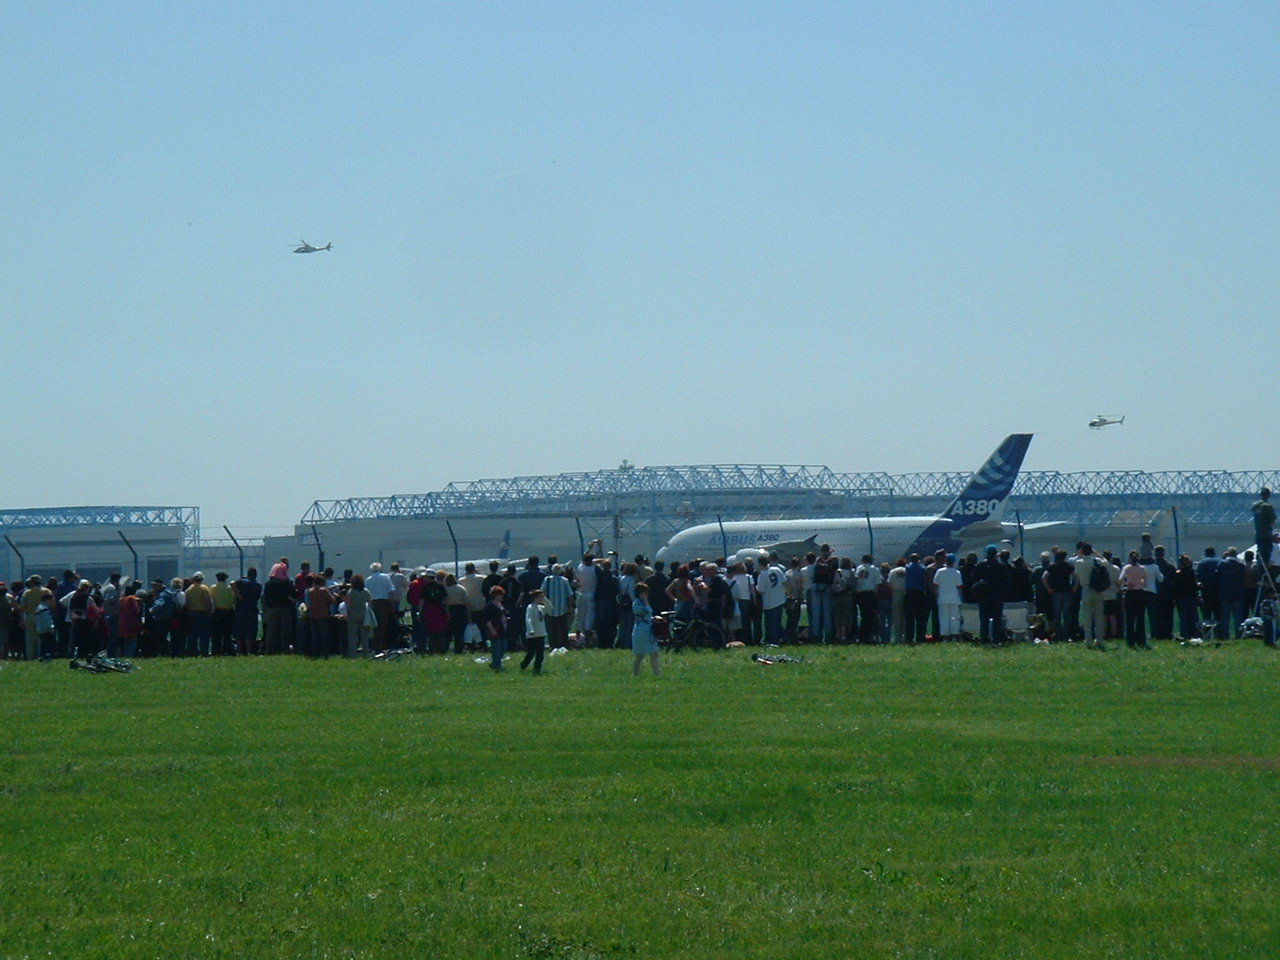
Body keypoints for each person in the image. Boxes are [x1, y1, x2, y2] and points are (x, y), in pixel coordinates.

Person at [1119, 551, 1151, 649]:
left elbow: (1120, 579)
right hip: (1140, 594)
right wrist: (1139, 582)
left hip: (1130, 593)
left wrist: (1127, 583)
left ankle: (1130, 640)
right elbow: (1145, 584)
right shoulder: (1142, 569)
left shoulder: (1127, 568)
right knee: (1140, 618)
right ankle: (1141, 640)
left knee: (1130, 618)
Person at [630, 583, 660, 676]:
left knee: (654, 653)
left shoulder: (644, 602)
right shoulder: (637, 603)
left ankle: (657, 674)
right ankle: (635, 674)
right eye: (645, 592)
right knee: (639, 655)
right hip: (640, 631)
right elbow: (647, 611)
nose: (647, 594)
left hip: (649, 631)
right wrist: (646, 602)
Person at [542, 564, 574, 650]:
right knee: (563, 629)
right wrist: (570, 608)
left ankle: (553, 645)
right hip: (562, 608)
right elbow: (570, 595)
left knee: (552, 630)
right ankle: (564, 645)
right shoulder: (564, 580)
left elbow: (542, 593)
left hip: (550, 609)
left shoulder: (547, 579)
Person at [933, 554, 964, 641]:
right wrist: (961, 598)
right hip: (954, 598)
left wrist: (937, 596)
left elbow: (935, 585)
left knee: (943, 618)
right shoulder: (957, 573)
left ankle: (945, 637)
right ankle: (954, 635)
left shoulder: (939, 571)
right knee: (954, 618)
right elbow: (959, 587)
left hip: (942, 598)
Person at [232, 567, 263, 655]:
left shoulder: (241, 581)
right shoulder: (258, 585)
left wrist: (238, 594)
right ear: (255, 575)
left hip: (240, 609)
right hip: (252, 609)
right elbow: (258, 597)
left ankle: (240, 650)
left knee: (239, 630)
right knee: (250, 631)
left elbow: (232, 583)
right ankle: (248, 650)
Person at [521, 589, 548, 674]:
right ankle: (523, 665)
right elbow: (528, 619)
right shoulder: (530, 607)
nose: (542, 598)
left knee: (540, 654)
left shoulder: (540, 607)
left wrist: (545, 599)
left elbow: (550, 607)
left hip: (541, 633)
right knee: (531, 653)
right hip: (533, 635)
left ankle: (537, 668)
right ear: (535, 597)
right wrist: (531, 630)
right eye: (540, 597)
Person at [485, 585, 508, 670]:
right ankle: (497, 666)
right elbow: (488, 620)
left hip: (503, 629)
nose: (502, 596)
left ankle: (494, 663)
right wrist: (492, 629)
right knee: (496, 649)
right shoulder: (490, 606)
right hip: (495, 629)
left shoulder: (501, 605)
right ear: (496, 595)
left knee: (504, 647)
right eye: (500, 594)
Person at [1254, 488, 1276, 568]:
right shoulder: (1268, 506)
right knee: (1266, 557)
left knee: (1259, 555)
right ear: (1268, 495)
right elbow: (1272, 521)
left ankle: (1259, 572)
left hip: (1258, 534)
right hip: (1267, 535)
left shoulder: (1255, 505)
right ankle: (1264, 575)